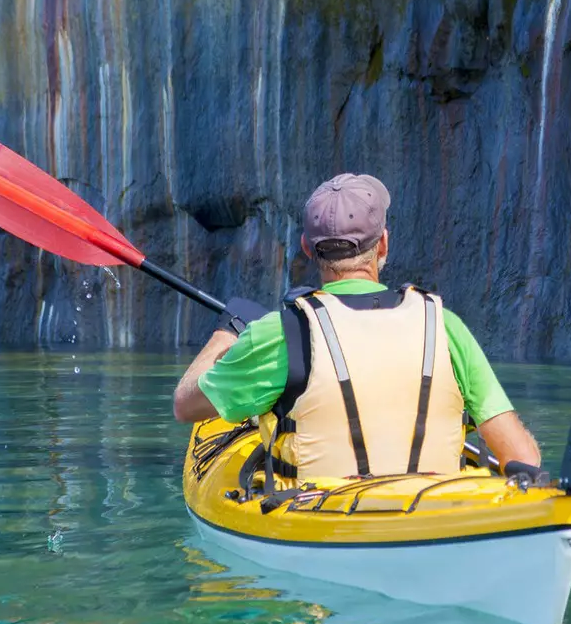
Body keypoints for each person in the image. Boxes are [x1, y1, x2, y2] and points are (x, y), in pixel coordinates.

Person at [172, 173, 543, 480]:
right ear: (383, 244)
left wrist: (228, 331)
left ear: (305, 247)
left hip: (323, 522)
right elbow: (522, 457)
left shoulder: (282, 332)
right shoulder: (445, 327)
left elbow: (185, 406)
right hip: (437, 514)